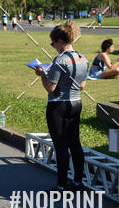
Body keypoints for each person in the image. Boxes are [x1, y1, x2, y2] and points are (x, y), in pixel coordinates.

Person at [35, 21, 89, 190]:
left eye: (53, 43)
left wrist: (42, 74)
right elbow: (82, 86)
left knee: (61, 145)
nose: (53, 47)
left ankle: (61, 185)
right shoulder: (83, 58)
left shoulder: (60, 60)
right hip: (76, 102)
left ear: (59, 40)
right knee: (75, 143)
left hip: (58, 105)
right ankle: (78, 181)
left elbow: (50, 87)